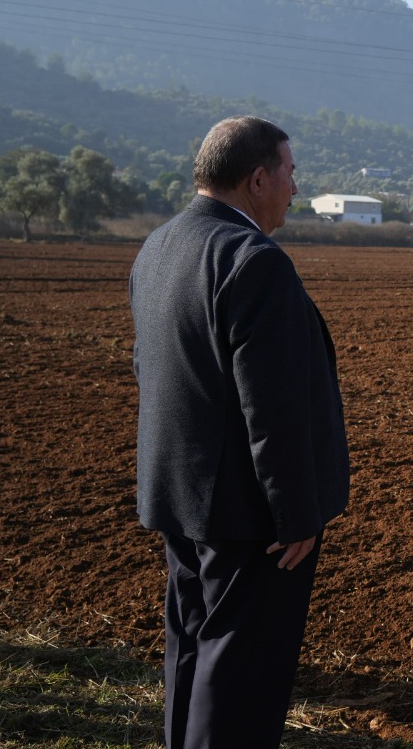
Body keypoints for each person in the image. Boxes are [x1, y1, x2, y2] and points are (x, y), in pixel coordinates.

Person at [130, 115, 349, 748]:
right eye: (289, 173)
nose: (295, 188)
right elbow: (272, 408)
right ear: (257, 179)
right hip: (248, 514)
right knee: (241, 672)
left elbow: (149, 367)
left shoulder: (159, 246)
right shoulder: (255, 262)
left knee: (192, 651)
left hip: (181, 494)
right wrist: (297, 514)